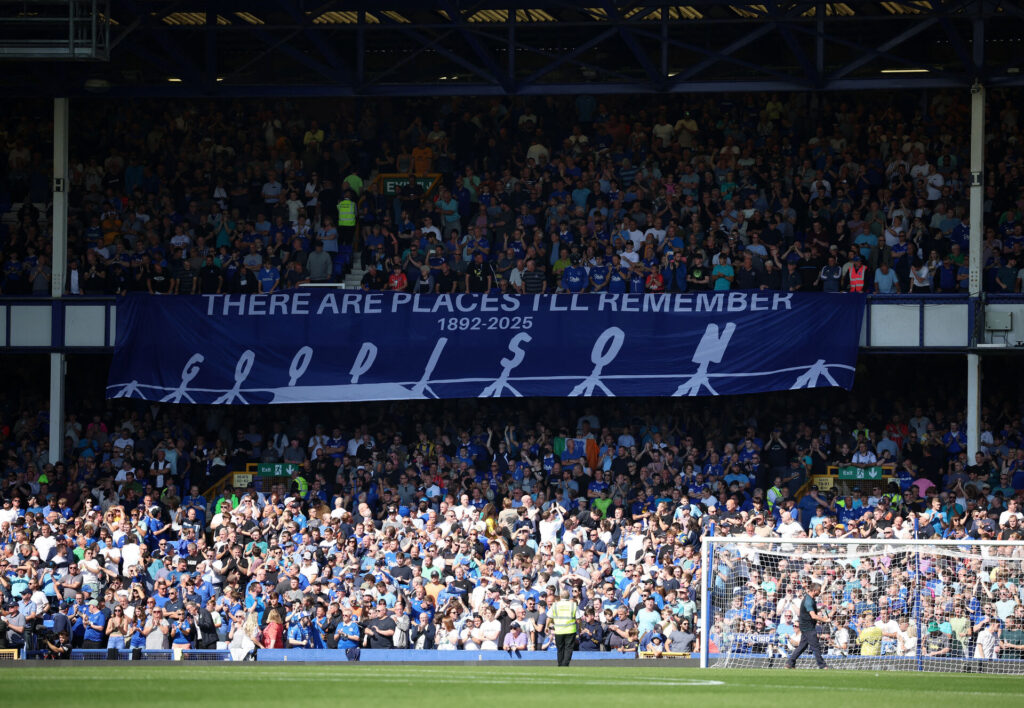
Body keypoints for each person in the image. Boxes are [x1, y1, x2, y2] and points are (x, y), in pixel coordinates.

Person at [785, 582, 829, 669]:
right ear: (814, 590)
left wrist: (820, 608)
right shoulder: (808, 601)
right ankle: (822, 665)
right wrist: (825, 619)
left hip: (806, 626)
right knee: (815, 646)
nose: (819, 592)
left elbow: (810, 611)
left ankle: (790, 663)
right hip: (808, 627)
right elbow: (813, 616)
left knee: (802, 646)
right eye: (818, 591)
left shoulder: (810, 599)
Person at [546, 586, 579, 667]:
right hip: (570, 630)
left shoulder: (555, 605)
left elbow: (549, 617)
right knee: (568, 648)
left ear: (560, 597)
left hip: (559, 630)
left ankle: (560, 664)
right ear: (569, 596)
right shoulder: (573, 605)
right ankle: (565, 664)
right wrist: (580, 628)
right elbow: (579, 619)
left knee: (560, 649)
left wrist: (546, 627)